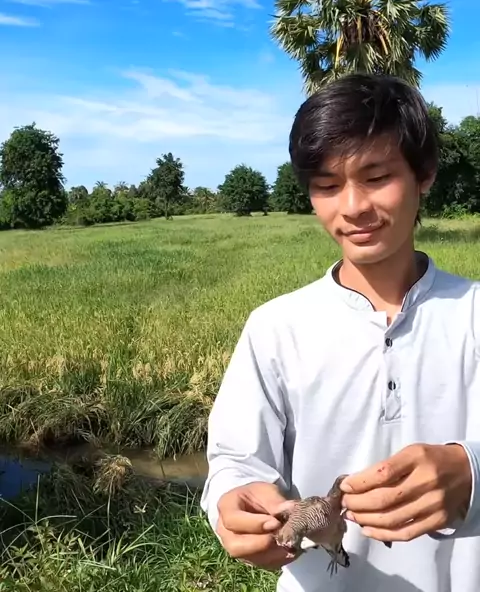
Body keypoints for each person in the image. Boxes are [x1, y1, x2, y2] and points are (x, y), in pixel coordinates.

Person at [199, 73, 480, 592]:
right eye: (327, 186)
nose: (352, 207)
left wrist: (473, 474)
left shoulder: (473, 315)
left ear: (424, 175)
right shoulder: (276, 327)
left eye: (377, 177)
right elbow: (235, 461)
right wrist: (233, 503)